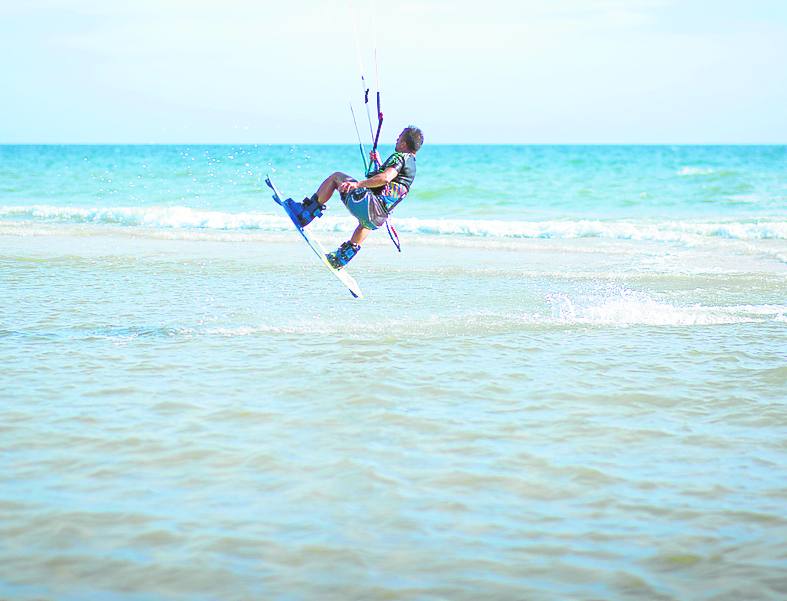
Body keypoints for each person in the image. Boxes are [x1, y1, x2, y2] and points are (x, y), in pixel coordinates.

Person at [284, 125, 423, 269]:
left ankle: (305, 213)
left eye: (399, 137)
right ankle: (342, 258)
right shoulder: (411, 166)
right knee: (365, 224)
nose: (397, 139)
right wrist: (379, 163)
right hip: (378, 218)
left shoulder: (400, 157)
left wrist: (357, 185)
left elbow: (385, 178)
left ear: (404, 144)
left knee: (336, 177)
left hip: (368, 205)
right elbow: (389, 185)